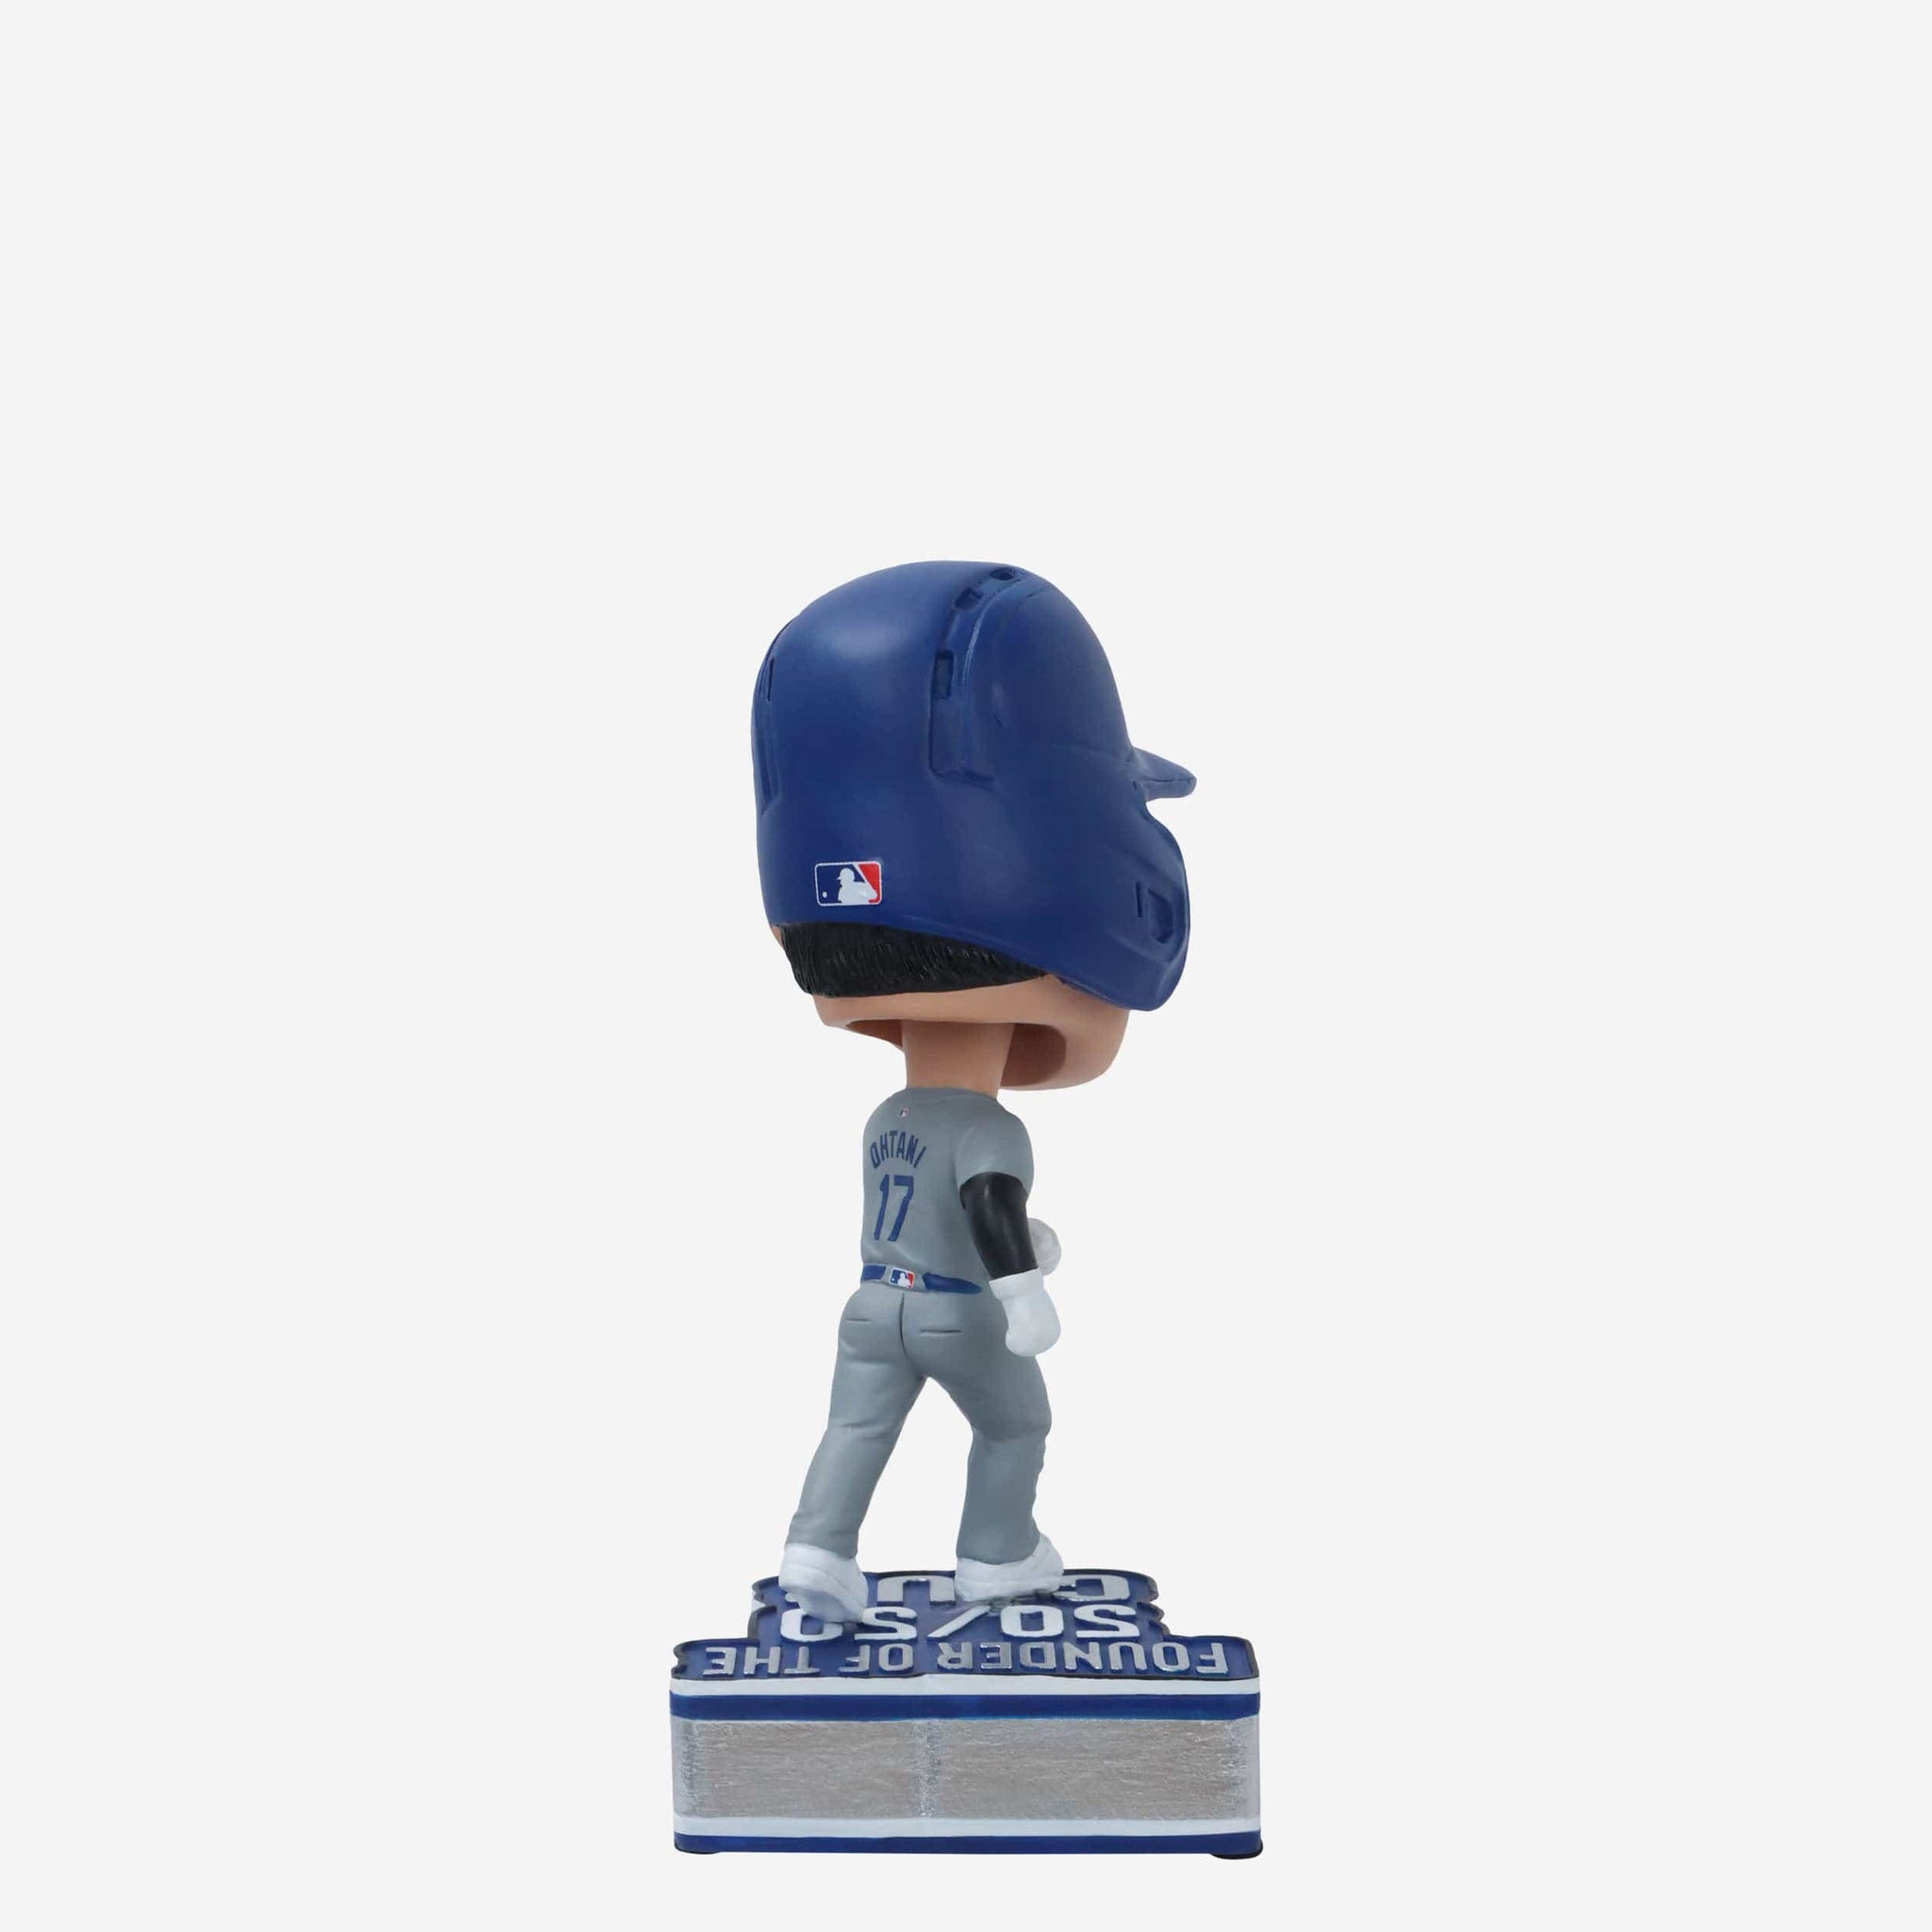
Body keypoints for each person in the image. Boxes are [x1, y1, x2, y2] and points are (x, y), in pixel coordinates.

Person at [751, 561, 1193, 1620]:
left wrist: (1018, 1241)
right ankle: (998, 1554)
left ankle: (816, 1550)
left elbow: (932, 1203)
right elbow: (985, 1199)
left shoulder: (886, 1117)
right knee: (1015, 1423)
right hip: (957, 1312)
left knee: (855, 1427)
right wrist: (1023, 1289)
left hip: (871, 1305)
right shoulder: (989, 1125)